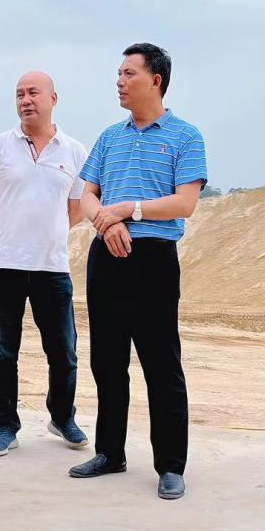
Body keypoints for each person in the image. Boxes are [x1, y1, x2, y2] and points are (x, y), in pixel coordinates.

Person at [71, 43, 207, 500]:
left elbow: (185, 202)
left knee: (161, 362)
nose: (120, 81)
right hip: (106, 254)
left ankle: (170, 465)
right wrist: (106, 222)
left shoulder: (186, 136)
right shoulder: (110, 136)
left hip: (153, 259)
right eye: (119, 73)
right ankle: (110, 452)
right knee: (107, 360)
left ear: (156, 80)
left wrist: (129, 210)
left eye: (129, 73)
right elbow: (87, 194)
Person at [0, 71, 90, 457]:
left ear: (54, 98)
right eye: (20, 94)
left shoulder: (74, 151)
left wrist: (47, 233)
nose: (25, 100)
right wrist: (10, 233)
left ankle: (62, 416)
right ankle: (5, 425)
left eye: (33, 93)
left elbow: (76, 208)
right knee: (3, 352)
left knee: (64, 350)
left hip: (53, 266)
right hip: (5, 263)